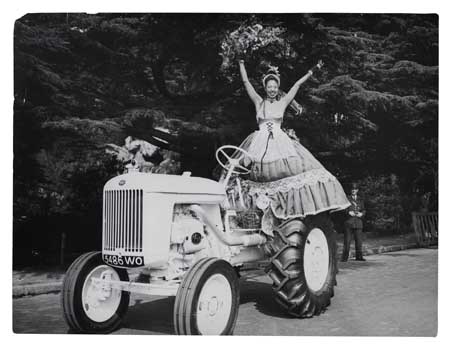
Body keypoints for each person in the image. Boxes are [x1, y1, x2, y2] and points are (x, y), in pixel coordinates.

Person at [224, 59, 350, 220]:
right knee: (245, 170)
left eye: (275, 87)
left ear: (278, 89)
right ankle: (253, 211)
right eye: (269, 87)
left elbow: (296, 85)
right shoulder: (258, 102)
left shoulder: (283, 102)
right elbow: (246, 82)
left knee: (295, 170)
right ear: (265, 88)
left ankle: (291, 208)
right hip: (259, 142)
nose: (272, 90)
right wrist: (241, 64)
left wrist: (312, 71)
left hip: (279, 140)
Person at [341, 183, 366, 261]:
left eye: (355, 189)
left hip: (358, 222)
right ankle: (344, 258)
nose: (353, 191)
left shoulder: (360, 199)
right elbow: (342, 208)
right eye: (352, 189)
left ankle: (359, 257)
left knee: (359, 242)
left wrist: (361, 214)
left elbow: (364, 209)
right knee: (347, 242)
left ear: (357, 190)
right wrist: (348, 212)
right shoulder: (346, 198)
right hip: (349, 222)